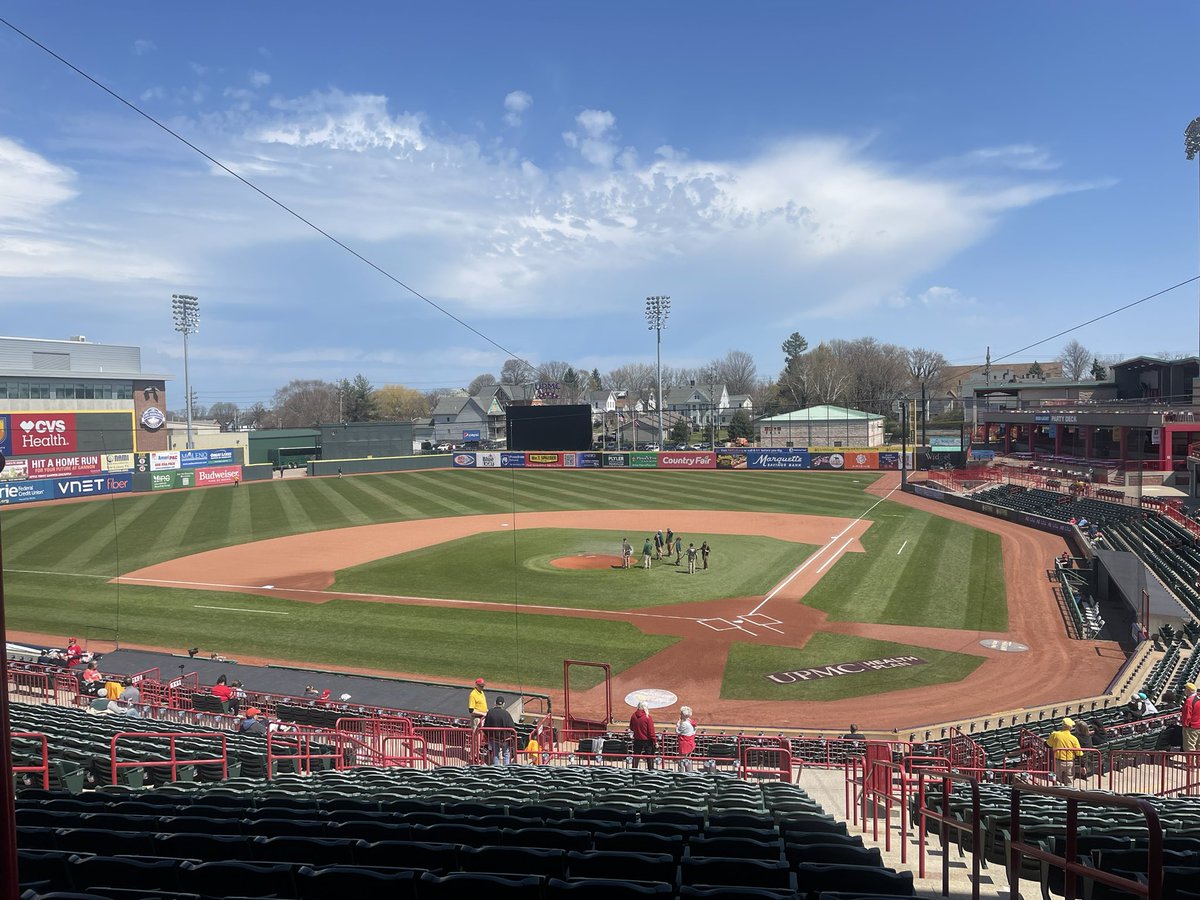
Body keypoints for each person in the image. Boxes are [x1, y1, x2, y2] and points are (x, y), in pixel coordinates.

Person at [1046, 718, 1082, 784]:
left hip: (1058, 761)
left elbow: (1048, 744)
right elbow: (1079, 753)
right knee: (1069, 780)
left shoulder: (1055, 734)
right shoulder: (1074, 739)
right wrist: (1082, 765)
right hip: (1069, 762)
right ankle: (1068, 792)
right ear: (1070, 727)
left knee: (1057, 779)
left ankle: (1058, 791)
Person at [483, 695, 516, 765]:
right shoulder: (506, 713)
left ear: (495, 703)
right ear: (503, 704)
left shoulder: (490, 712)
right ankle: (506, 770)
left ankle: (496, 771)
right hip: (504, 738)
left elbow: (485, 727)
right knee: (506, 754)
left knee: (495, 754)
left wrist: (488, 736)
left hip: (494, 738)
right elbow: (512, 727)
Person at [629, 701, 657, 769]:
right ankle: (651, 773)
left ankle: (634, 772)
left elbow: (631, 728)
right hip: (647, 741)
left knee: (636, 757)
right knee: (649, 758)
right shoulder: (647, 717)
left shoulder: (633, 715)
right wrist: (655, 741)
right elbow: (651, 732)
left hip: (637, 739)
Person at [675, 706, 696, 772]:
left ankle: (681, 774)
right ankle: (689, 773)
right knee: (688, 760)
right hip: (690, 743)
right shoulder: (691, 721)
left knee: (681, 760)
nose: (680, 715)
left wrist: (678, 724)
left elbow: (677, 732)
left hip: (685, 744)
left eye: (681, 713)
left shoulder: (684, 724)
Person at [1182, 683, 1200, 751]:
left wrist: (1185, 725)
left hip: (1191, 727)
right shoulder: (1198, 698)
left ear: (1188, 690)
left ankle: (1190, 762)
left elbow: (1187, 715)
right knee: (1199, 747)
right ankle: (1198, 762)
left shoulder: (1189, 701)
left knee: (1189, 747)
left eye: (1185, 689)